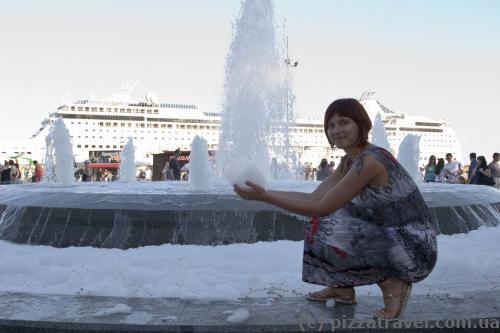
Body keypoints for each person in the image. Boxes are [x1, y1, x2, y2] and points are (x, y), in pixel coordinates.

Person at [234, 98, 437, 320]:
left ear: (361, 124)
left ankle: (394, 283)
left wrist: (266, 198)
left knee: (328, 220)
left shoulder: (369, 160)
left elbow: (321, 207)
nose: (336, 130)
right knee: (324, 221)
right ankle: (341, 287)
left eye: (344, 122)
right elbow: (315, 197)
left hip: (415, 248)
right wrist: (264, 193)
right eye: (331, 125)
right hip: (394, 238)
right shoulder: (349, 161)